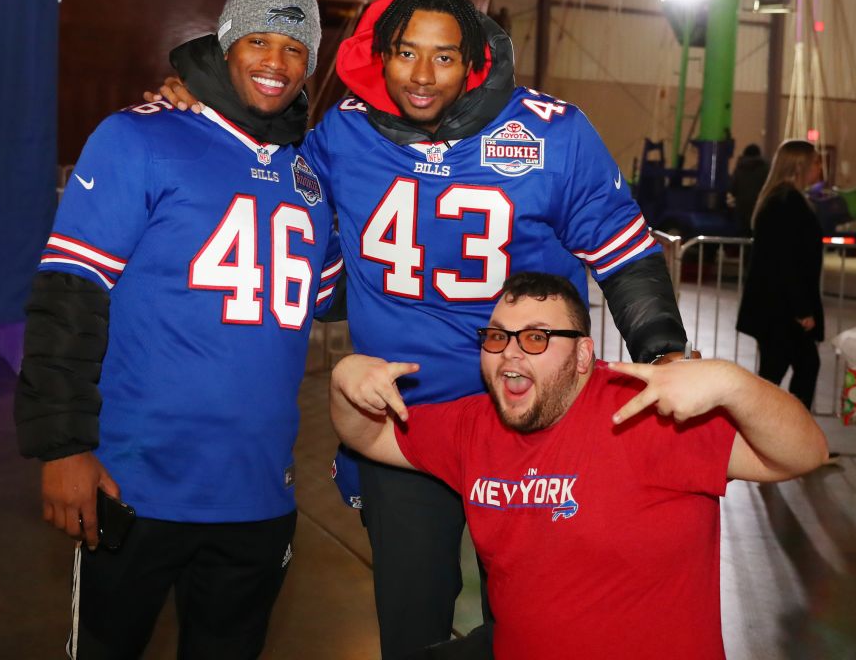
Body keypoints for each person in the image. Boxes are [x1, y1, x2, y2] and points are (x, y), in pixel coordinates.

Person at [151, 0, 691, 658]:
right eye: (406, 53)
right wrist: (204, 106)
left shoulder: (552, 132)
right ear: (379, 56)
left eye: (444, 57)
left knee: (535, 622)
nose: (423, 75)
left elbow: (623, 250)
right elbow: (278, 186)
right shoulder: (342, 135)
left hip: (528, 417)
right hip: (407, 424)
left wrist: (666, 353)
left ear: (476, 63)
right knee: (411, 625)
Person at [13, 0, 343, 659]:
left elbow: (332, 297)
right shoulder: (139, 138)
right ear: (225, 45)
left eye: (294, 48)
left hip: (259, 494)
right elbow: (69, 297)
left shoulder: (310, 177)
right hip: (134, 486)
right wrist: (62, 445)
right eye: (258, 40)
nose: (275, 64)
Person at [329, 271, 829, 660]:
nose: (511, 357)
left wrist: (732, 384)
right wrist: (345, 378)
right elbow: (369, 434)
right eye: (498, 337)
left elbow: (805, 452)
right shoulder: (475, 426)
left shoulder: (646, 413)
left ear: (584, 354)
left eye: (537, 338)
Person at [736, 139, 825, 409]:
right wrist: (802, 309)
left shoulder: (781, 200)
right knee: (795, 370)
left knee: (779, 374)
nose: (820, 168)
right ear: (801, 166)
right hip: (782, 311)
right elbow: (787, 262)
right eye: (816, 162)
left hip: (776, 308)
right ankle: (789, 438)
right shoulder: (787, 203)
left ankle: (784, 438)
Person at [727, 142, 769, 236]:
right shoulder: (765, 168)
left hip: (742, 209)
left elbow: (732, 189)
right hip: (759, 207)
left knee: (743, 235)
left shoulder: (740, 168)